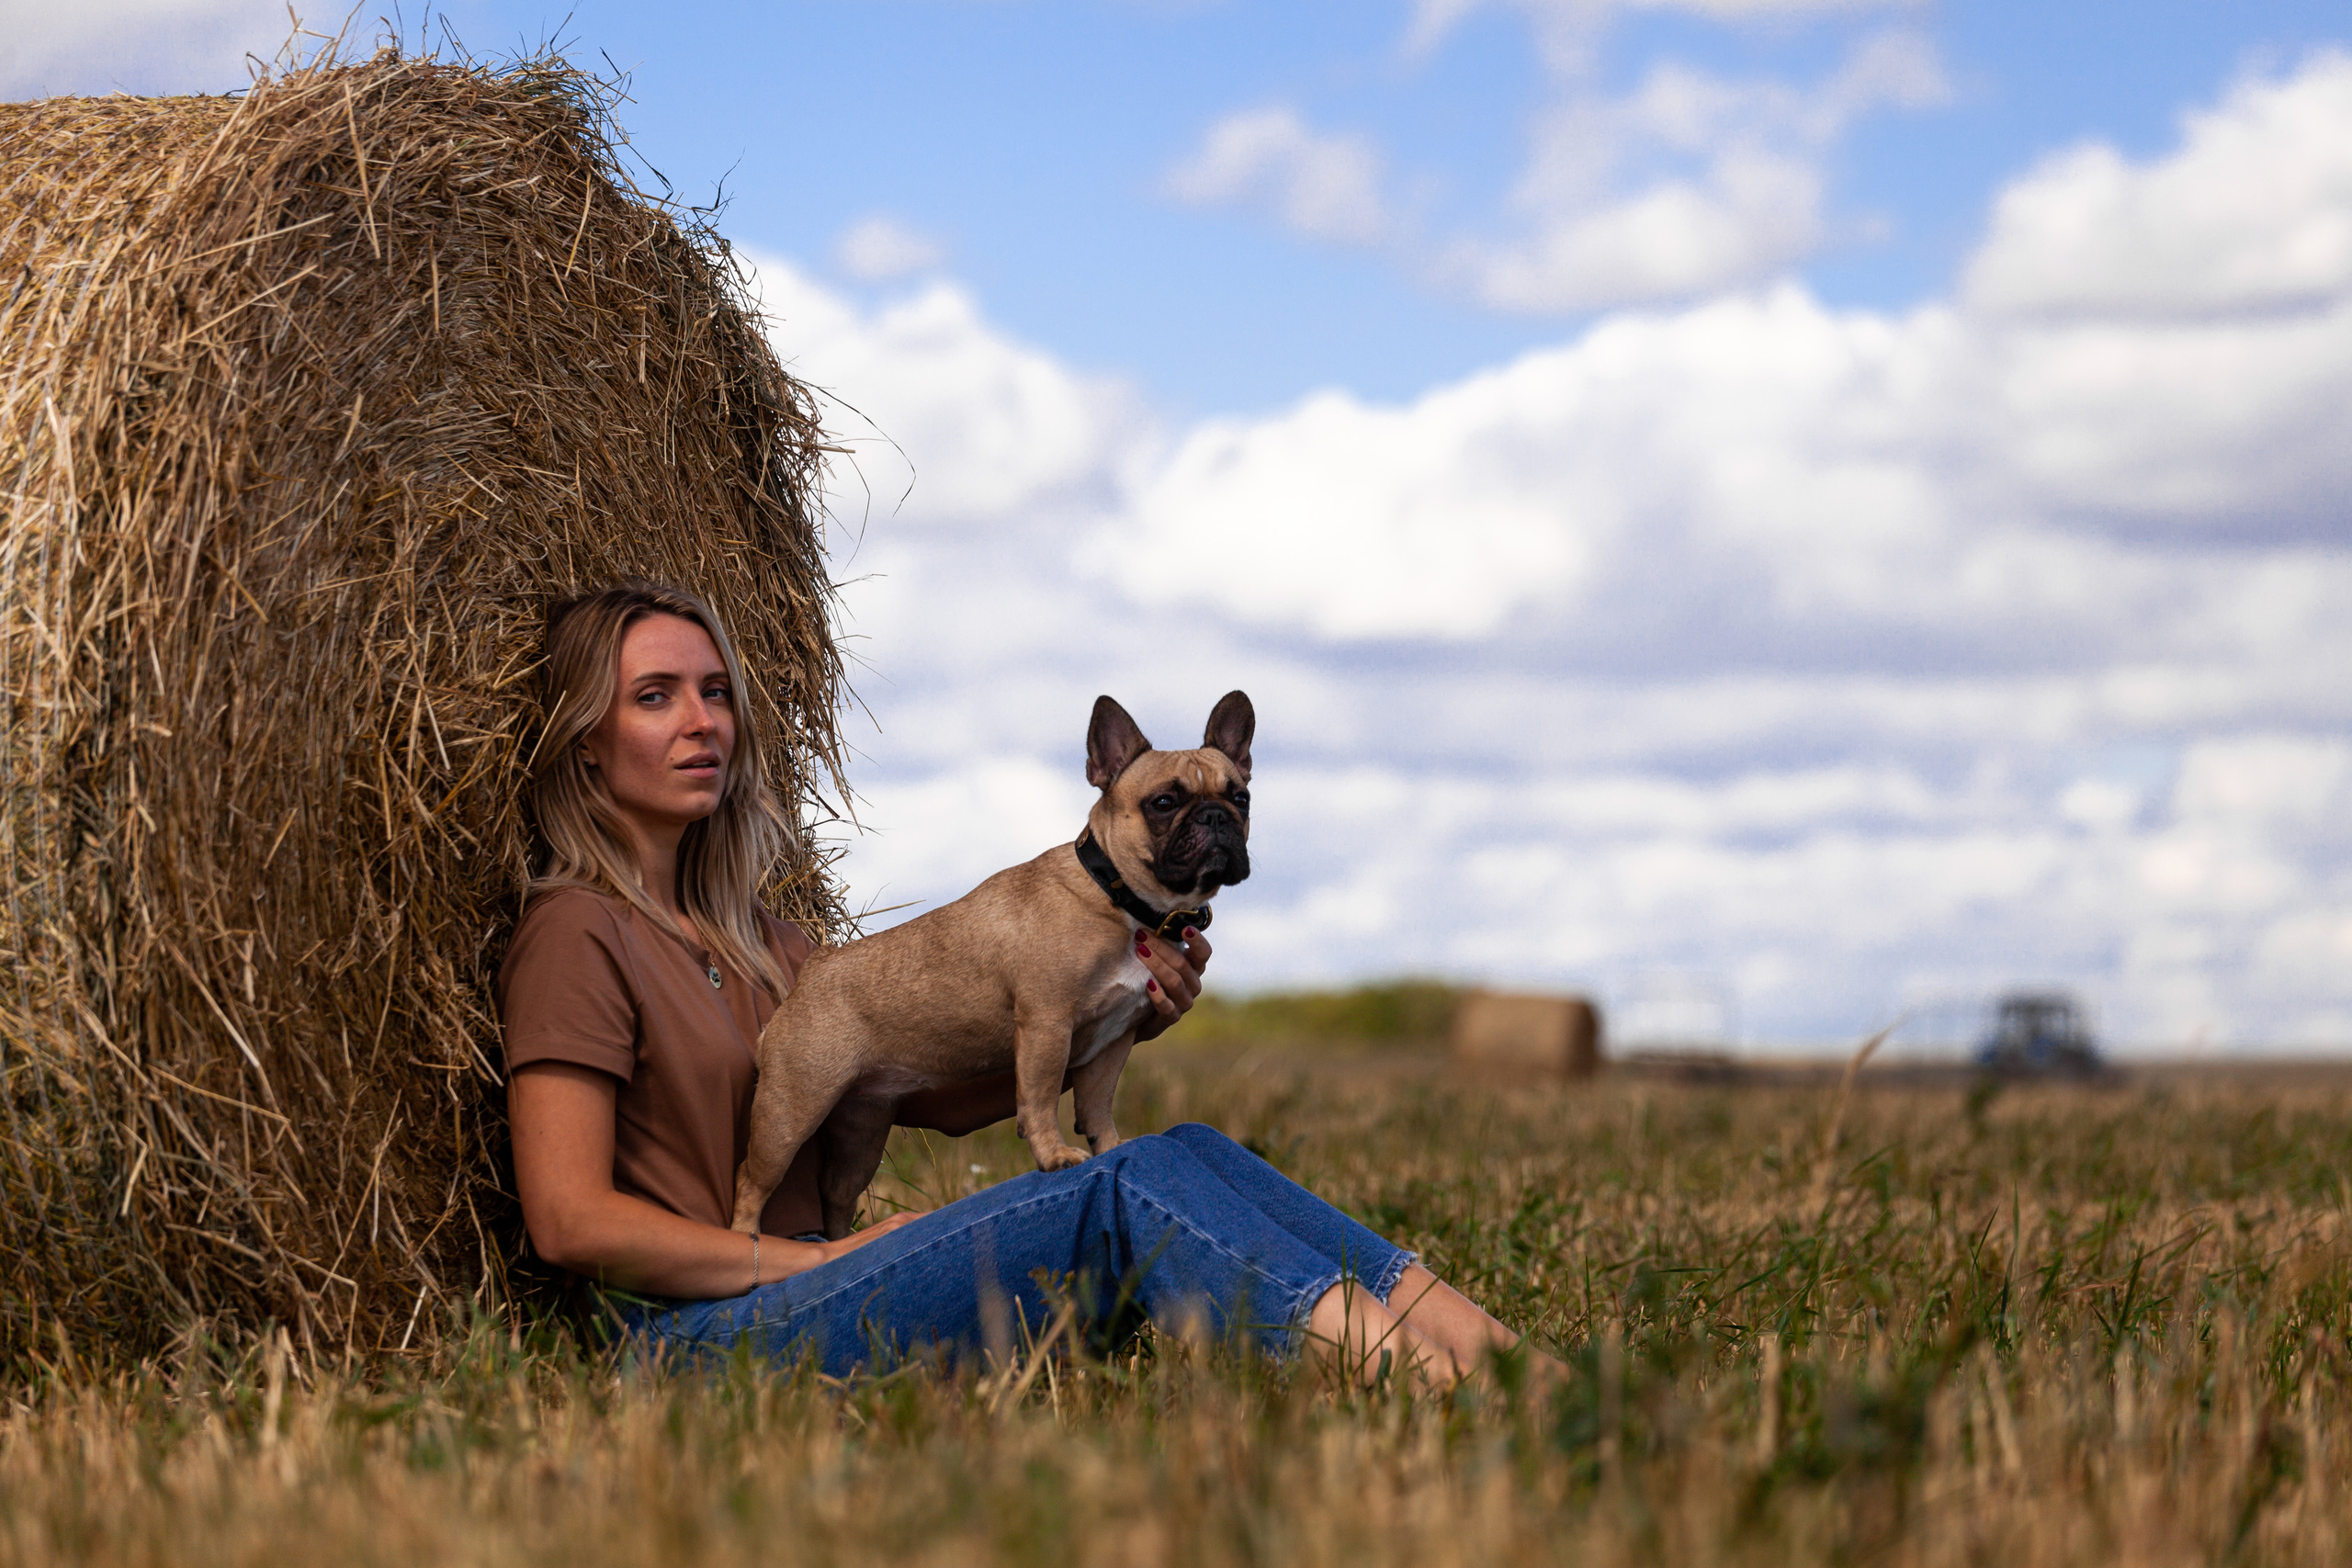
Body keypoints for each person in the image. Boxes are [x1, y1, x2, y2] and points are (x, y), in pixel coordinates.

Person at [500, 581, 1551, 1386]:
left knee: (1180, 1150)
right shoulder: (578, 933)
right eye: (654, 697)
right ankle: (1432, 1385)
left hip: (818, 1277)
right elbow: (570, 1222)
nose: (702, 721)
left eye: (716, 693)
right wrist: (806, 1260)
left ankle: (1513, 1367)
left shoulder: (768, 944)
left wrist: (1118, 1019)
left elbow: (944, 1100)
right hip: (697, 1337)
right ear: (585, 744)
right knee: (1118, 1187)